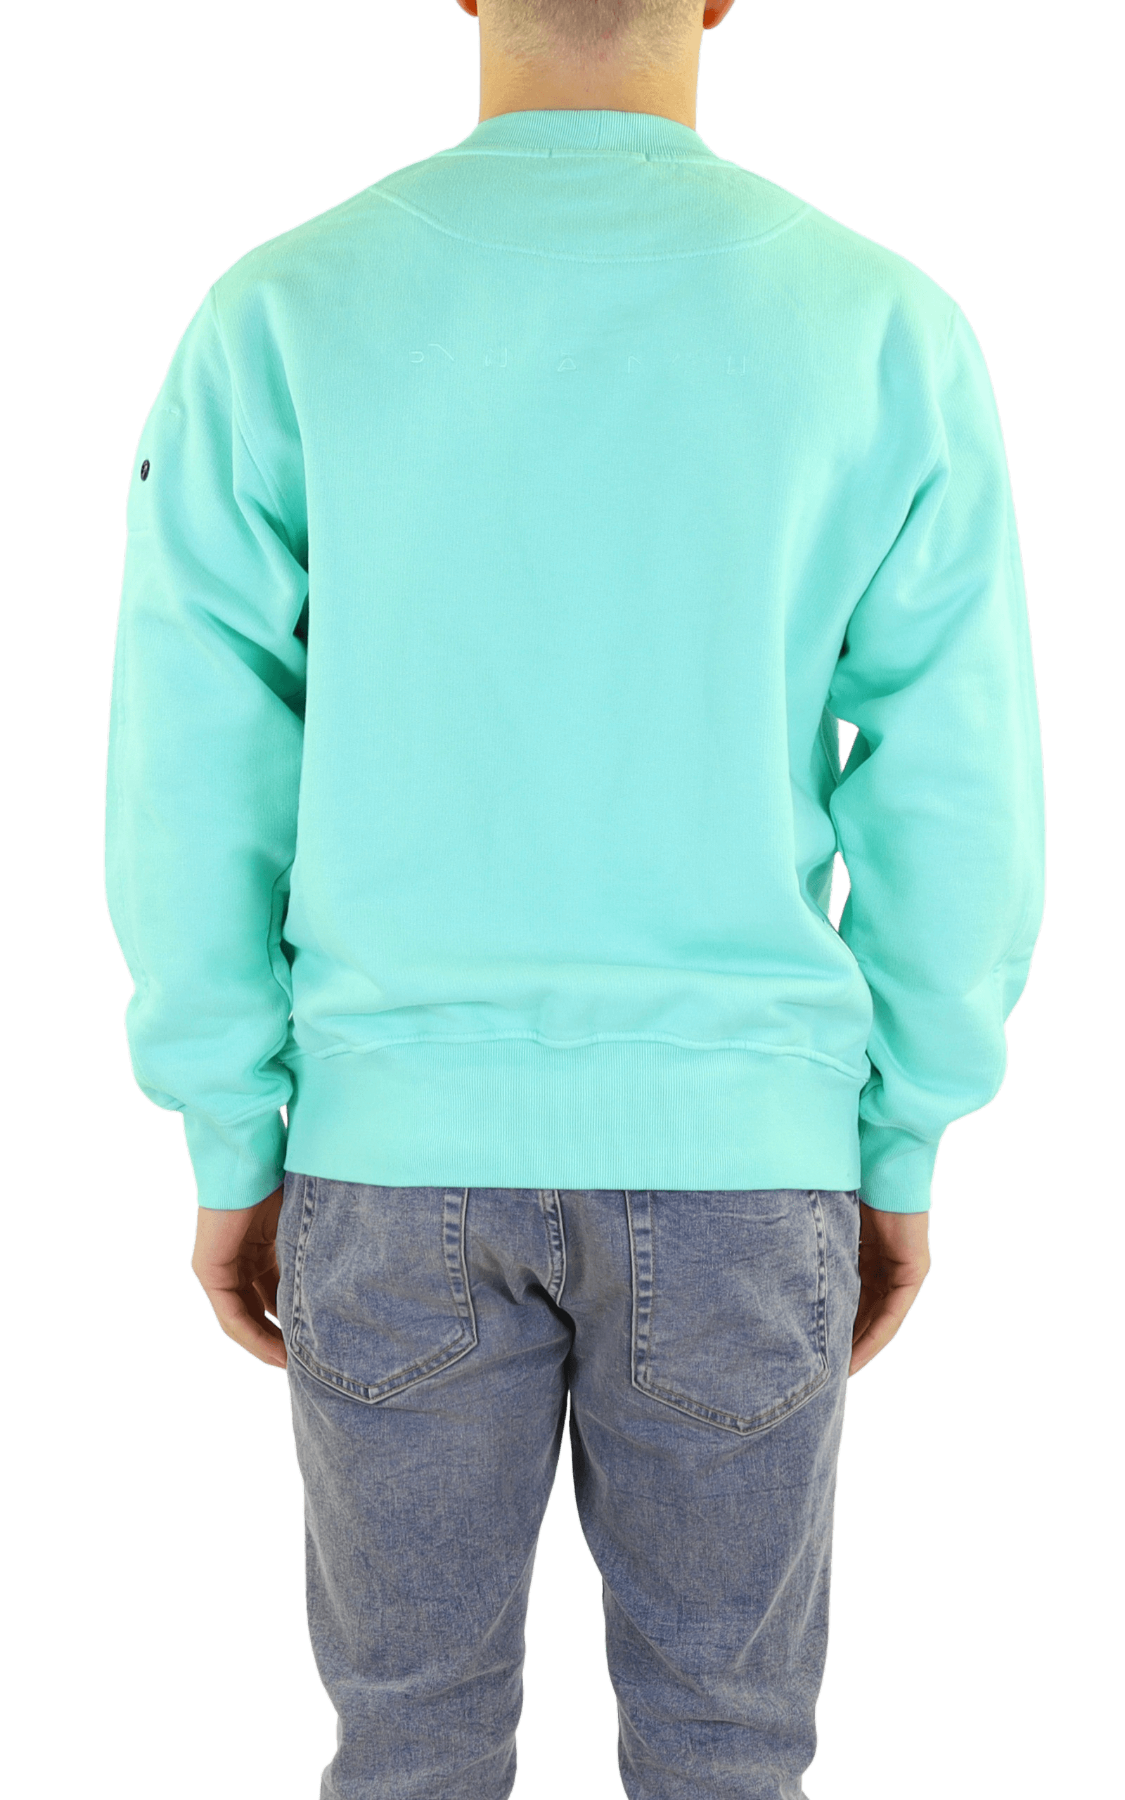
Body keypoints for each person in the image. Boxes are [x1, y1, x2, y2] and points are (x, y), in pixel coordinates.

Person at [105, 2, 1046, 1794]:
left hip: (384, 1162)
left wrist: (234, 1134)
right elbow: (955, 791)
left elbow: (192, 767)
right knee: (730, 1761)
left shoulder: (279, 313)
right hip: (750, 1167)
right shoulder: (883, 326)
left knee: (406, 1757)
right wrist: (900, 1137)